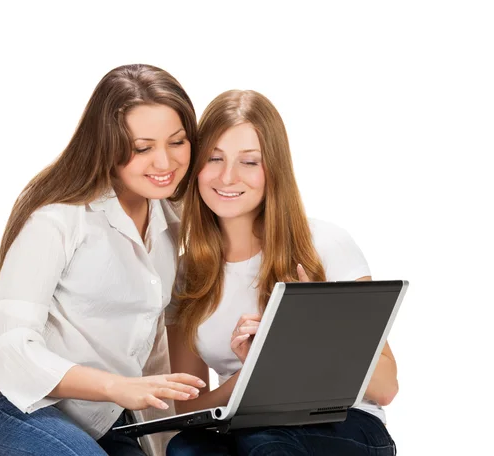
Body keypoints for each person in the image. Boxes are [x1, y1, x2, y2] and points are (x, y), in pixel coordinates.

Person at [0, 64, 206, 456]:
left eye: (177, 142)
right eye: (142, 148)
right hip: (28, 412)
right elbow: (10, 350)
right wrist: (116, 386)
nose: (165, 163)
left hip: (110, 424)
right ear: (107, 145)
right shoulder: (58, 221)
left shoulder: (174, 223)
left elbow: (155, 361)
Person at [165, 90, 399, 455]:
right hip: (244, 424)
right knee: (186, 449)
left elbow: (386, 387)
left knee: (266, 439)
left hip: (343, 424)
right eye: (214, 158)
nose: (227, 177)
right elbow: (189, 407)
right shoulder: (187, 272)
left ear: (273, 170)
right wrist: (255, 376)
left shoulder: (324, 243)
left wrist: (311, 334)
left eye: (249, 162)